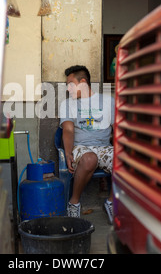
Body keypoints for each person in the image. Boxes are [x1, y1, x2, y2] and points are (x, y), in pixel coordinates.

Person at [59, 65, 115, 224]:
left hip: (104, 147)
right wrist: (68, 153)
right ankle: (74, 203)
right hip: (80, 148)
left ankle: (111, 202)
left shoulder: (108, 101)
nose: (67, 88)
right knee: (90, 159)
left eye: (70, 84)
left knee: (125, 159)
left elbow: (117, 129)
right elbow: (68, 130)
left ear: (82, 82)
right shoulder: (67, 104)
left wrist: (122, 149)